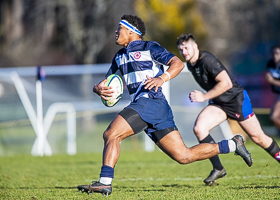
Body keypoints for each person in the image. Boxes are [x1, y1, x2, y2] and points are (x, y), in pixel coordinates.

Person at [77, 15, 252, 196]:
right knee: (184, 156)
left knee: (111, 134)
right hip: (153, 108)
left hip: (150, 102)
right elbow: (106, 82)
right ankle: (233, 144)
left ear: (131, 31)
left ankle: (105, 182)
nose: (115, 32)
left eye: (119, 28)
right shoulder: (119, 57)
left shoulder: (148, 47)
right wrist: (97, 88)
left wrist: (162, 78)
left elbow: (176, 63)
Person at [176, 33, 280, 186]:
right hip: (219, 103)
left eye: (186, 48)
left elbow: (226, 84)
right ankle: (218, 168)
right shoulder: (191, 64)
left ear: (195, 46)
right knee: (200, 128)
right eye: (181, 49)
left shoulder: (207, 60)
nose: (184, 52)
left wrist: (204, 97)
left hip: (236, 100)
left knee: (259, 138)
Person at [265, 44, 280, 135]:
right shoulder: (271, 64)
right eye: (273, 53)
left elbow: (272, 80)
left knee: (274, 117)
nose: (275, 55)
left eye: (277, 53)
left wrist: (272, 81)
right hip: (278, 94)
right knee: (273, 117)